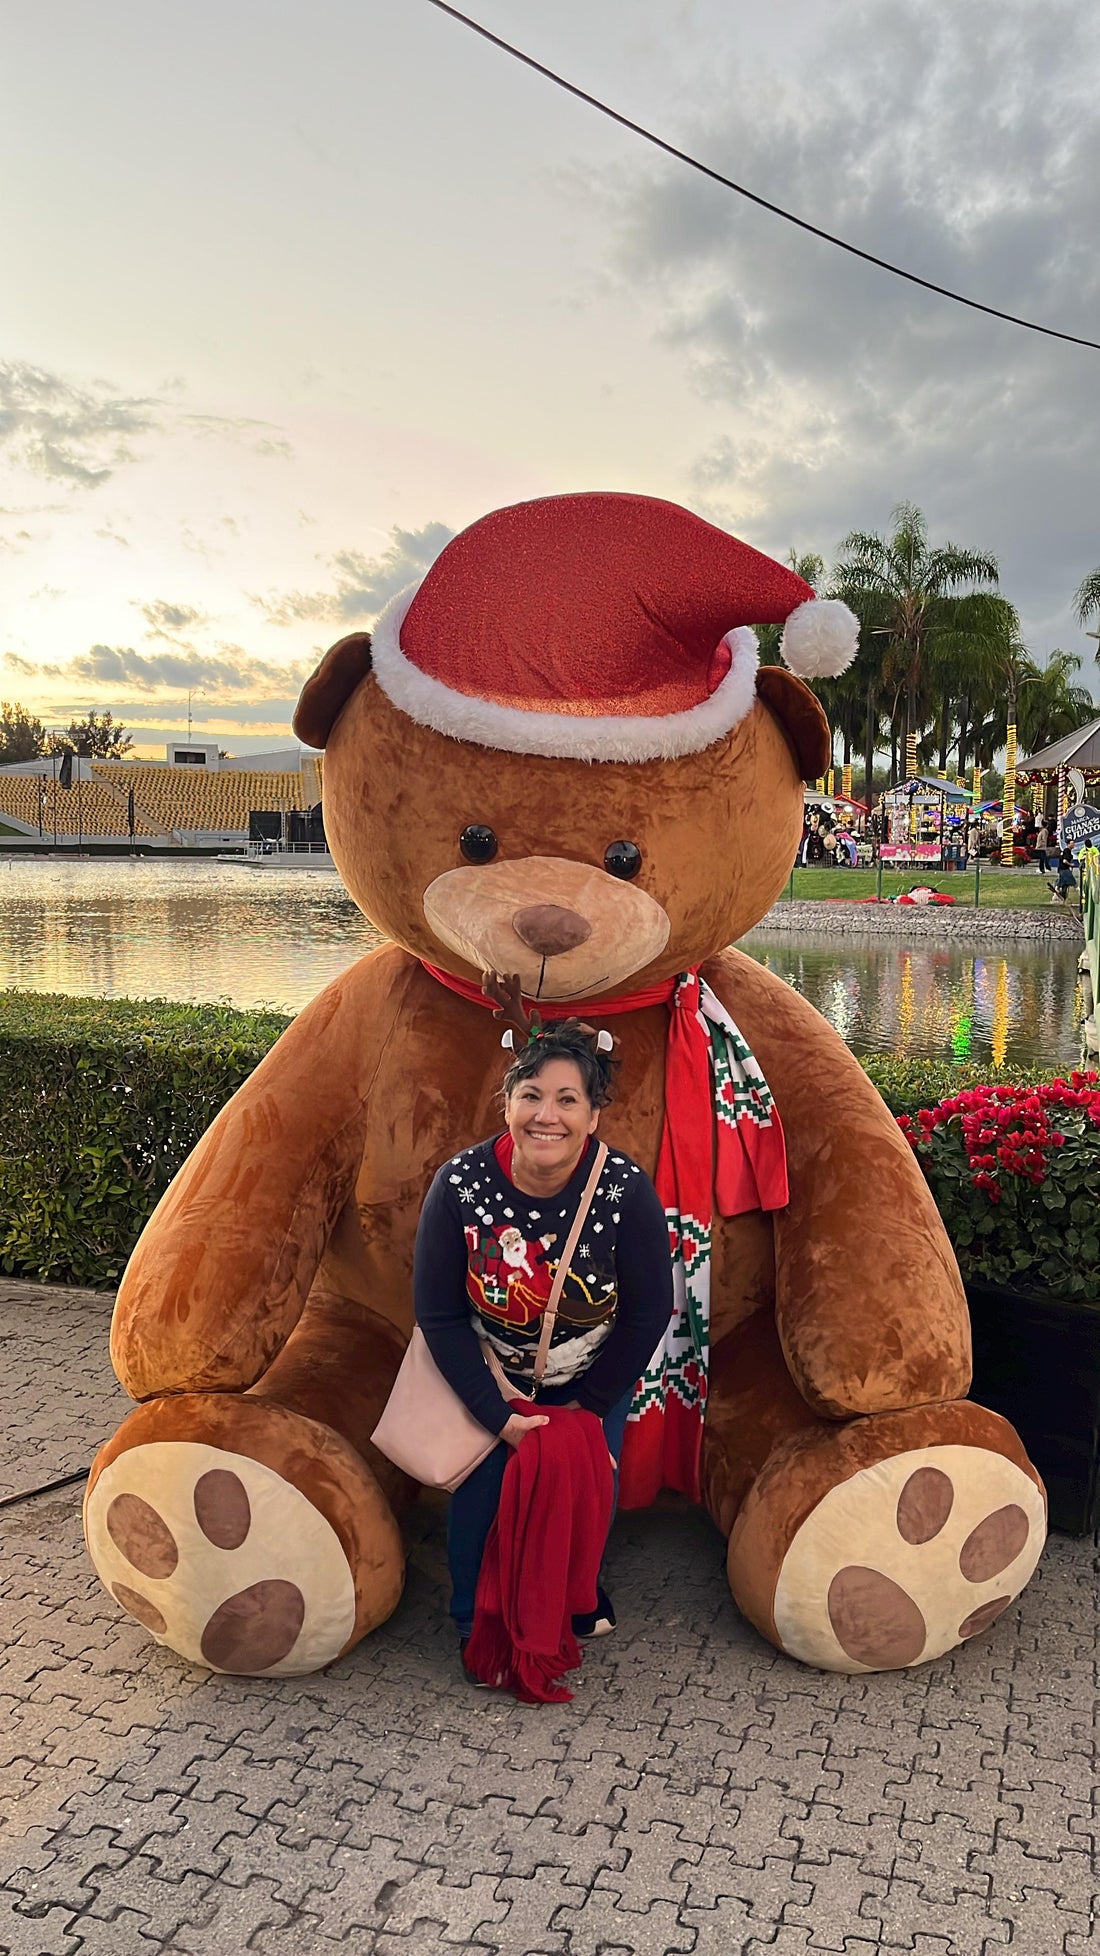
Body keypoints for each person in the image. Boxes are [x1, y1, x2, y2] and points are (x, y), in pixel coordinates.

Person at [414, 1018, 674, 1672]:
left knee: (586, 1490)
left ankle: (575, 1594)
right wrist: (498, 1417)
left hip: (589, 1375)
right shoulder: (460, 1185)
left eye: (567, 1100)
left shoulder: (625, 1190)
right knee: (482, 1494)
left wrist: (588, 1410)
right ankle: (475, 1616)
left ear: (592, 1116)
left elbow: (650, 1311)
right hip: (490, 1370)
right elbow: (438, 1313)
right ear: (507, 1103)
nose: (546, 1115)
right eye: (531, 1095)